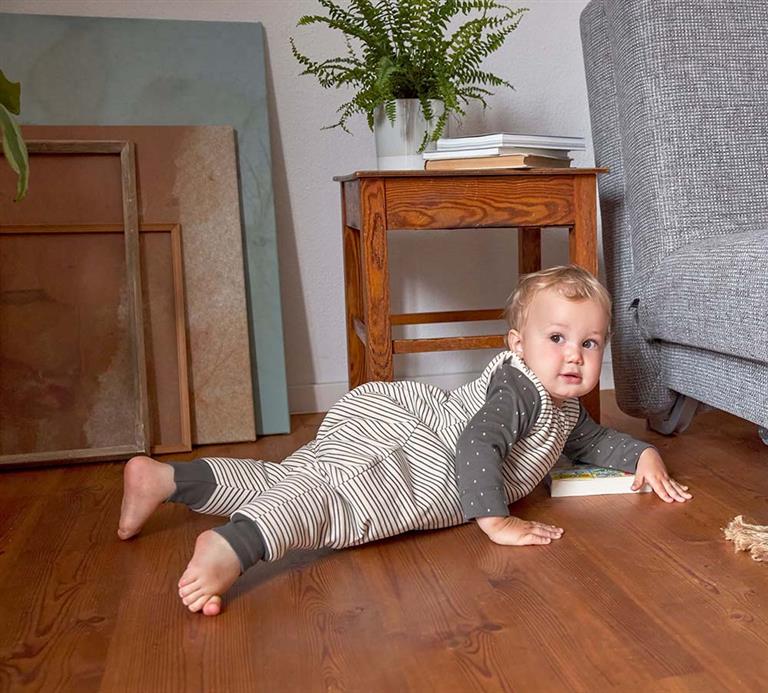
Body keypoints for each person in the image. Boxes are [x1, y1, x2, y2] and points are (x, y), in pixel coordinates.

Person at [118, 265, 692, 616]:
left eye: (590, 344)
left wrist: (643, 453)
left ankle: (171, 479)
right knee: (338, 503)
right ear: (518, 344)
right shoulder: (517, 391)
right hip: (415, 452)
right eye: (558, 338)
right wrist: (497, 521)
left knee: (293, 480)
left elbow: (593, 441)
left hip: (399, 427)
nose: (574, 355)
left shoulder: (560, 406)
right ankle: (233, 546)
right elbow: (476, 448)